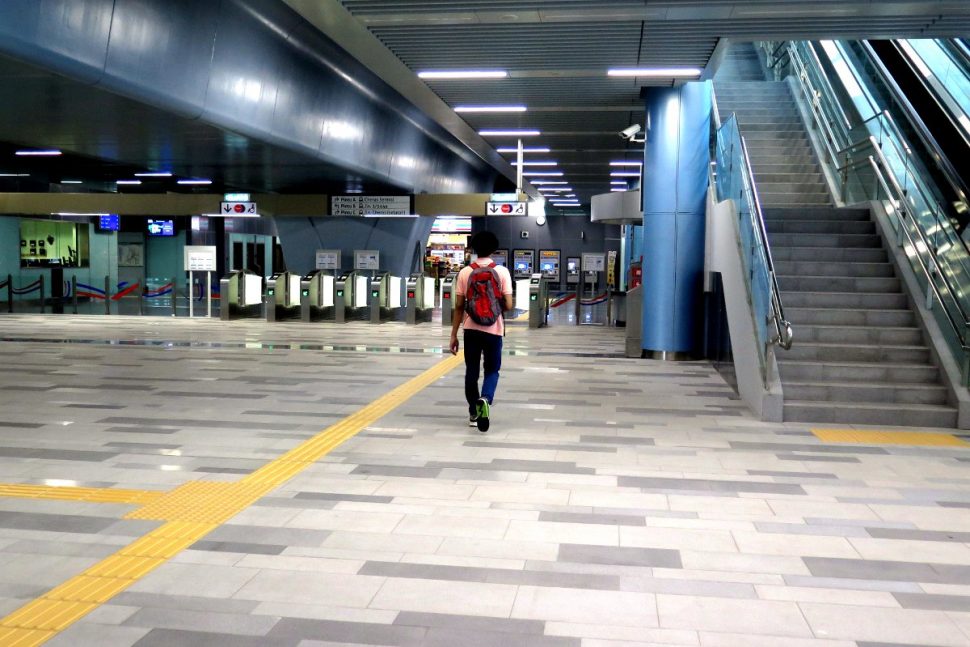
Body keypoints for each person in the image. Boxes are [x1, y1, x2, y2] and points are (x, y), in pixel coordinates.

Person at [449, 231, 514, 432]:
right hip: (494, 330)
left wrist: (453, 335)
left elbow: (459, 306)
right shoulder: (502, 272)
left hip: (471, 330)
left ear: (474, 249)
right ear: (494, 249)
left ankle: (473, 412)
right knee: (492, 370)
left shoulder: (465, 272)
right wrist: (494, 307)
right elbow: (509, 305)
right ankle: (485, 399)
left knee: (472, 371)